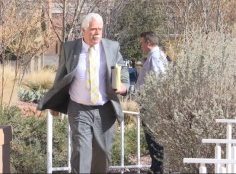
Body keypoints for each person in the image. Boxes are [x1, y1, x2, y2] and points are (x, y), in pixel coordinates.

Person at [37, 12, 129, 173]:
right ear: (83, 30)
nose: (97, 33)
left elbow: (124, 70)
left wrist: (123, 86)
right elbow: (61, 75)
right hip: (79, 108)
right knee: (81, 151)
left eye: (100, 29)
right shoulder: (70, 48)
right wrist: (54, 102)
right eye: (93, 29)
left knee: (103, 152)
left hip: (105, 108)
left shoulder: (112, 47)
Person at [135, 31, 168, 174]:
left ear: (148, 43)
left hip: (151, 105)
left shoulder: (155, 56)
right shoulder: (155, 56)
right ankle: (156, 166)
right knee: (153, 138)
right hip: (151, 104)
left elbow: (160, 80)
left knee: (153, 138)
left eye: (142, 42)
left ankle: (157, 168)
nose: (141, 46)